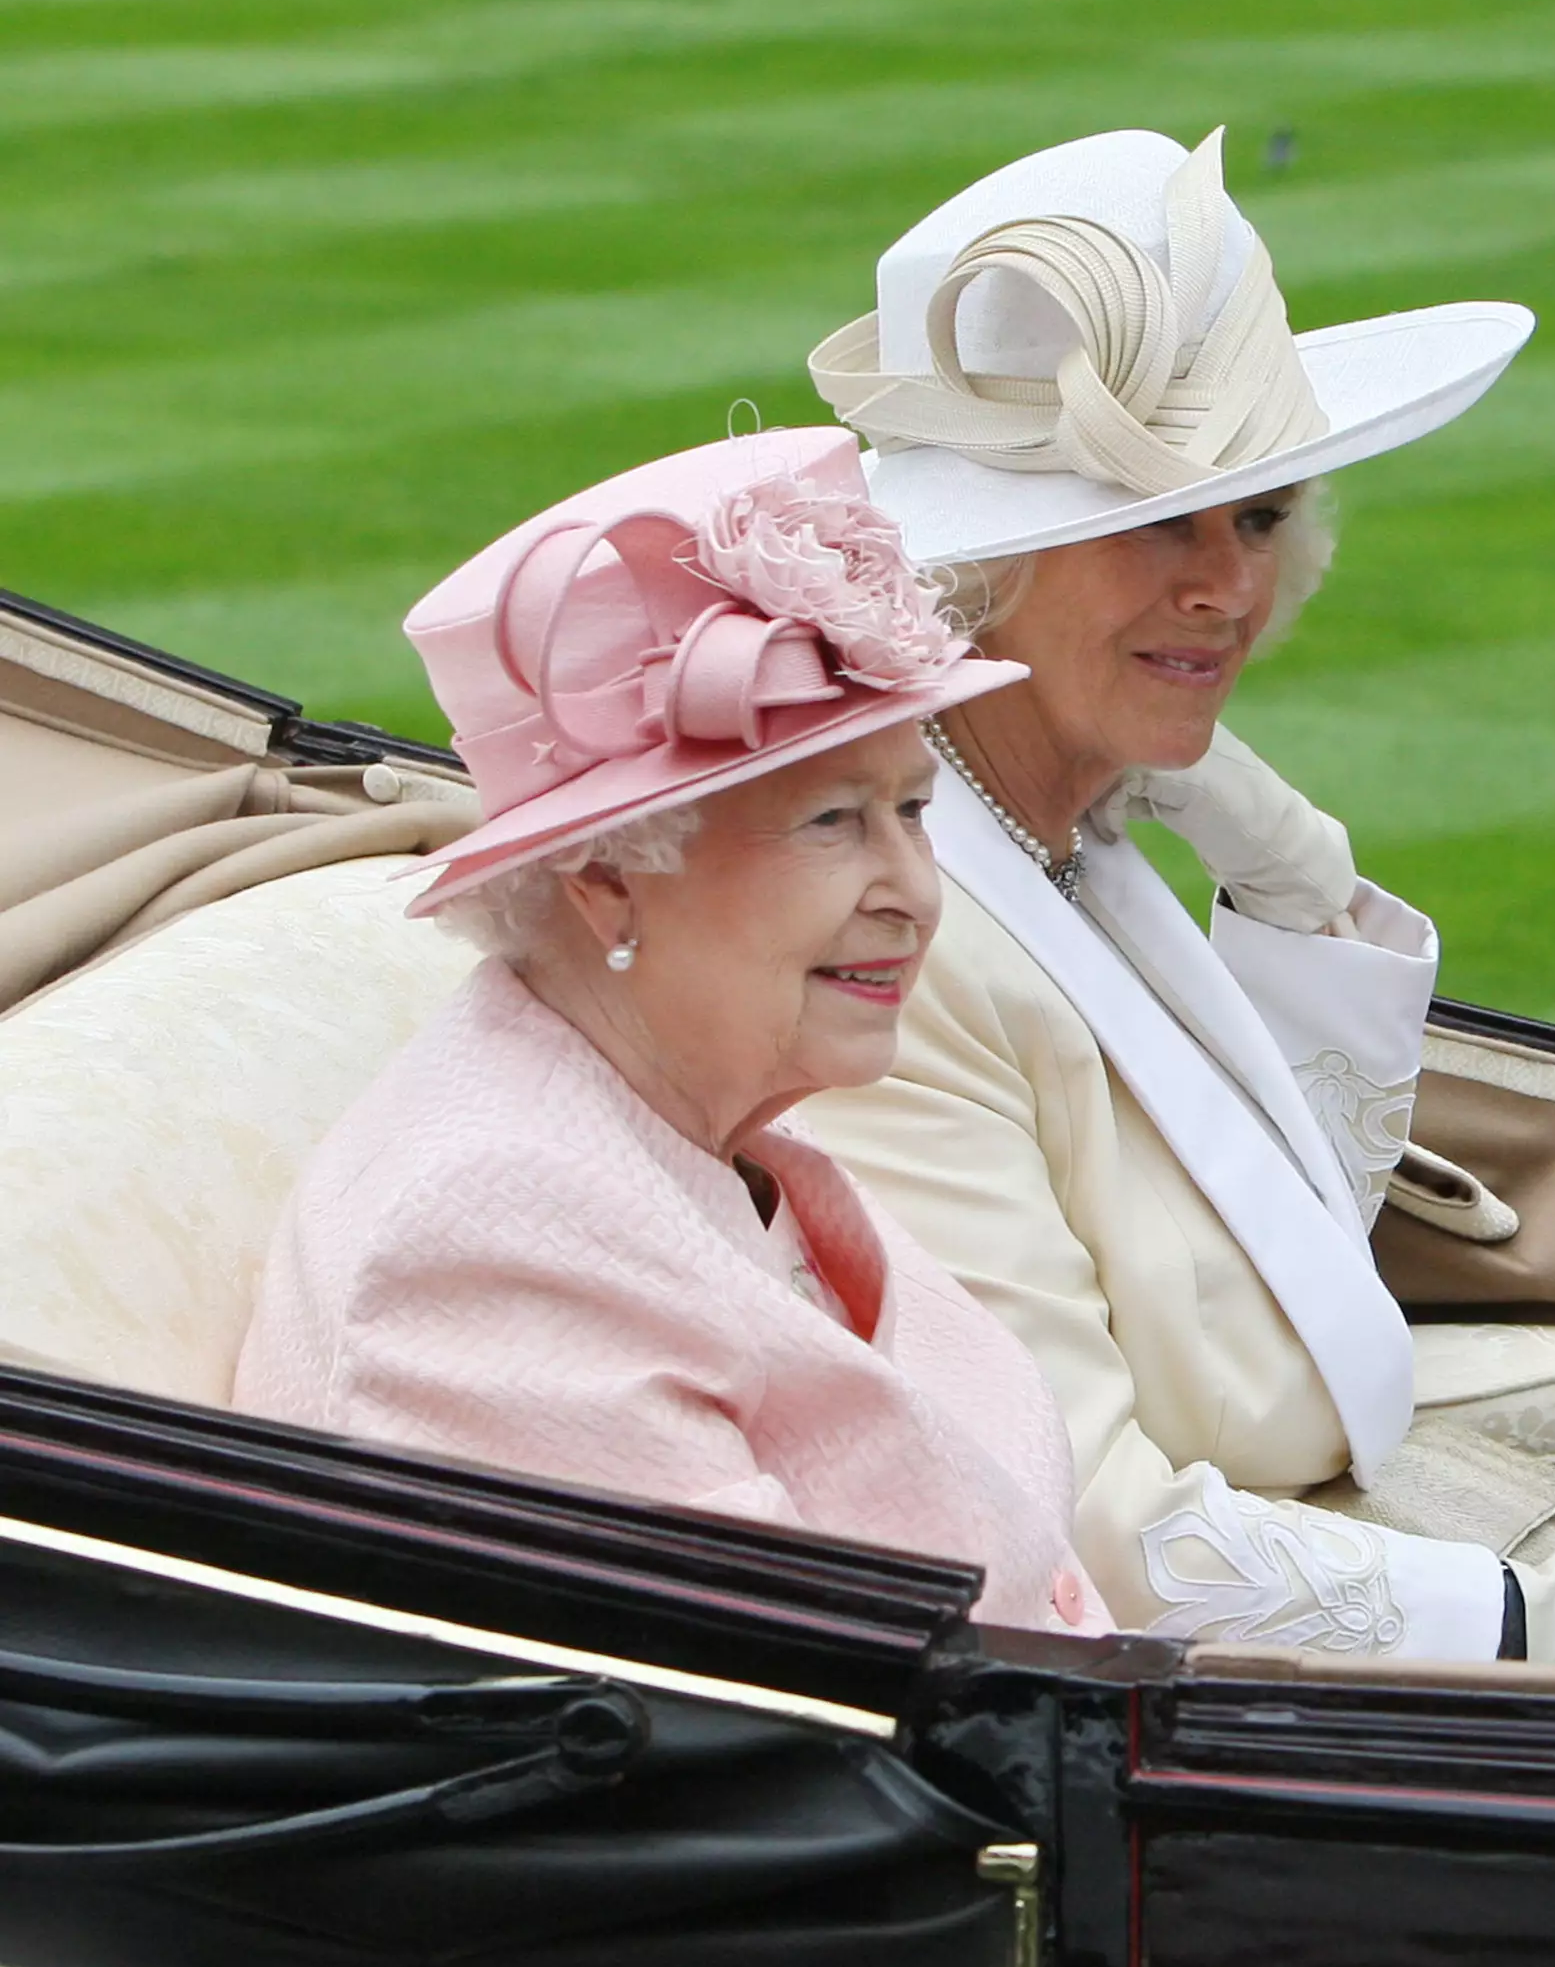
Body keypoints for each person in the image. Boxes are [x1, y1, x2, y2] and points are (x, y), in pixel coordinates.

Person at [799, 126, 1555, 1665]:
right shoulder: (901, 930)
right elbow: (1078, 1520)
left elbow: (1294, 1246)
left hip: (1333, 1535)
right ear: (986, 565)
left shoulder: (1066, 833)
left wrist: (1286, 871)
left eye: (1258, 513)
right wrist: (1526, 1619)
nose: (1227, 584)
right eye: (1154, 519)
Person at [234, 430, 1105, 1630]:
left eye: (912, 807)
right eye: (832, 823)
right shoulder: (485, 1247)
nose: (915, 887)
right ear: (607, 881)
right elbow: (798, 1720)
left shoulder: (698, 1133)